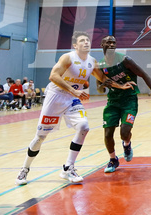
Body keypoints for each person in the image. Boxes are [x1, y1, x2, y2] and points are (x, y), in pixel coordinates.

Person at [16, 31, 107, 185]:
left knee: (84, 126)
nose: (86, 42)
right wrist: (73, 90)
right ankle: (24, 169)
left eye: (88, 40)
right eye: (82, 40)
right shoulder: (68, 57)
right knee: (40, 137)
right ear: (75, 45)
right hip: (55, 96)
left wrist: (121, 79)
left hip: (71, 99)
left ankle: (68, 168)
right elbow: (53, 76)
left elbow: (104, 79)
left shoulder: (92, 61)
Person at [97, 36, 151, 173]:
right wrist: (103, 84)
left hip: (129, 100)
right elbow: (99, 89)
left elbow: (144, 74)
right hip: (113, 102)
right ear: (102, 44)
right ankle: (113, 159)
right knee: (108, 133)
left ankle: (127, 145)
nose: (111, 44)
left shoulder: (124, 60)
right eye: (108, 42)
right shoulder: (100, 66)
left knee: (124, 132)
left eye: (113, 42)